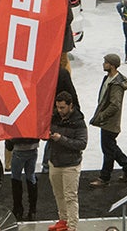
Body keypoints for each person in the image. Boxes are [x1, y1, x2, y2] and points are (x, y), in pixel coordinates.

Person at [88, 54, 127, 187]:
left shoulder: (116, 84)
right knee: (111, 147)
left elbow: (115, 105)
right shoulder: (109, 79)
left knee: (108, 150)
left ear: (112, 65)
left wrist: (102, 116)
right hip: (108, 122)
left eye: (106, 62)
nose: (104, 64)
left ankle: (105, 178)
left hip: (110, 122)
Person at [48, 91, 87, 231]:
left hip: (71, 165)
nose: (59, 110)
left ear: (70, 106)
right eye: (58, 107)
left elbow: (82, 143)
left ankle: (72, 226)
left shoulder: (79, 121)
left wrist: (61, 139)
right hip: (55, 162)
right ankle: (63, 220)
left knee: (70, 197)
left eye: (62, 107)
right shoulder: (54, 117)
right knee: (58, 194)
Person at [6, 136, 39, 221]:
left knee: (16, 178)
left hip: (18, 150)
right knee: (31, 177)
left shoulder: (16, 122)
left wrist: (8, 141)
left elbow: (9, 145)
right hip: (33, 148)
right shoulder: (34, 121)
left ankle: (18, 209)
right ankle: (33, 210)